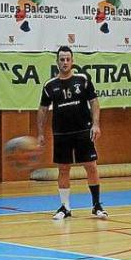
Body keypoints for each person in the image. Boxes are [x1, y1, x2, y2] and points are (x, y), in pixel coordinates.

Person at [37, 46, 108, 220]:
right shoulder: (49, 85)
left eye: (68, 59)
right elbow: (43, 109)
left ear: (72, 61)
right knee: (63, 169)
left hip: (83, 130)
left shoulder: (82, 80)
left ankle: (96, 205)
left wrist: (96, 125)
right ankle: (65, 207)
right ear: (57, 62)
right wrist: (40, 133)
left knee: (91, 166)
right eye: (62, 59)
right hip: (61, 133)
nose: (65, 62)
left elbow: (94, 102)